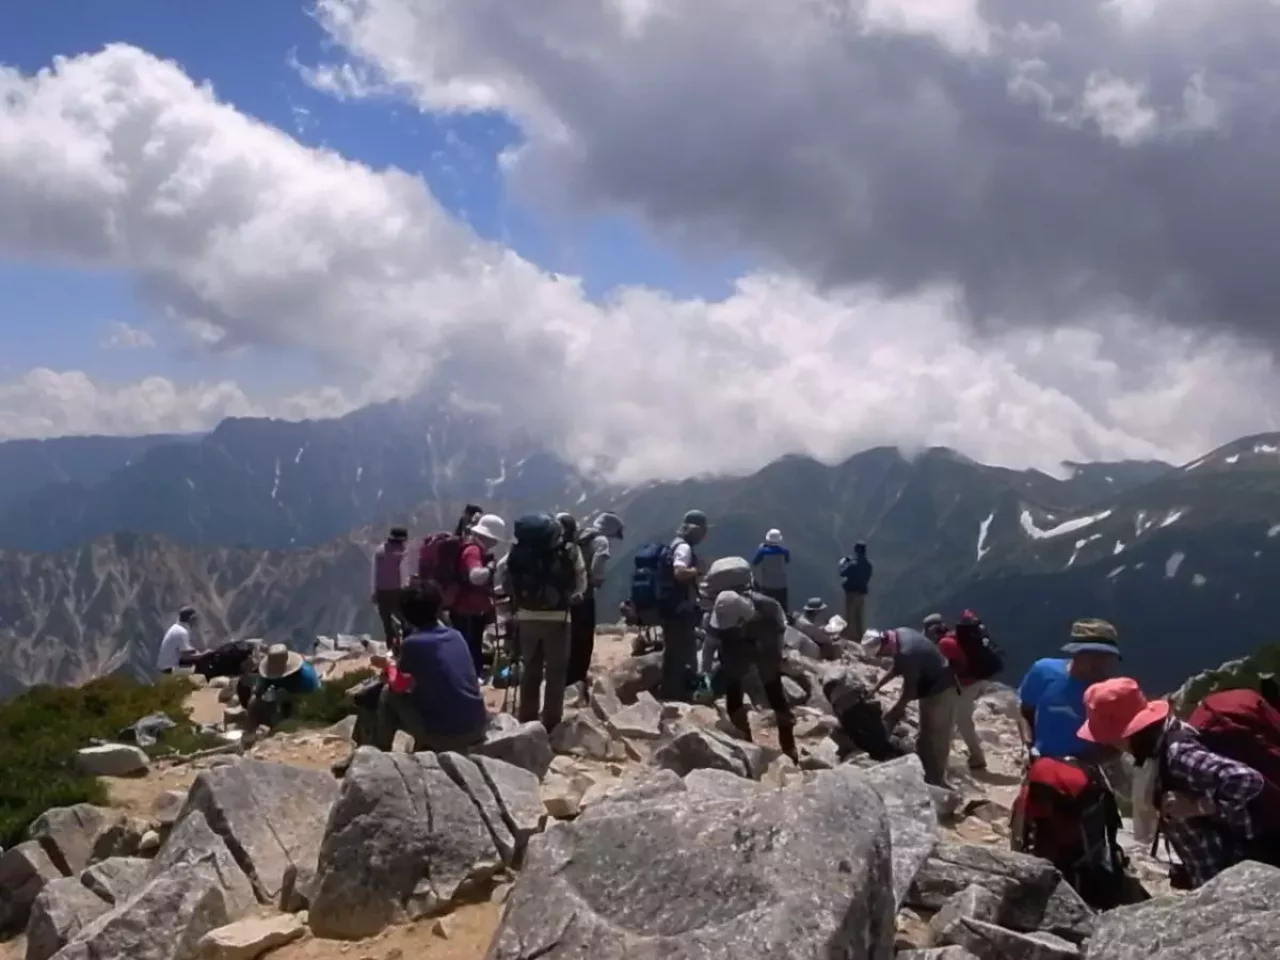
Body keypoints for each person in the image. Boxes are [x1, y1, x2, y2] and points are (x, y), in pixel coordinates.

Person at [1077, 677, 1277, 890]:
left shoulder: (1177, 755)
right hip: (1219, 869)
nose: (1107, 743)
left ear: (1126, 734)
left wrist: (1197, 806)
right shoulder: (1163, 740)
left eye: (1108, 737)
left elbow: (1247, 780)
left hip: (1231, 873)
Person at [365, 582, 490, 754]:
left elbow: (398, 685)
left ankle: (378, 753)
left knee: (389, 694)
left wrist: (390, 665)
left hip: (446, 736)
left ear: (405, 615)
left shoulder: (413, 644)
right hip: (478, 726)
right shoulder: (456, 636)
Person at [497, 513, 587, 733]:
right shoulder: (569, 551)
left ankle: (527, 721)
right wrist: (574, 595)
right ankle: (551, 723)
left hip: (526, 617)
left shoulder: (517, 551)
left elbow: (502, 575)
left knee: (530, 669)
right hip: (558, 618)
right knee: (556, 672)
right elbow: (581, 581)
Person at [707, 590, 798, 762]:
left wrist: (776, 655)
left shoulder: (768, 608)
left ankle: (789, 747)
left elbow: (779, 629)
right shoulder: (723, 613)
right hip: (735, 645)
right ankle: (743, 740)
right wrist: (705, 670)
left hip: (765, 642)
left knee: (774, 690)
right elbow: (710, 642)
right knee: (733, 688)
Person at [863, 626, 958, 788]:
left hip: (941, 690)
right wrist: (876, 687)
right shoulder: (900, 635)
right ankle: (924, 772)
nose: (882, 657)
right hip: (929, 686)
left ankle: (938, 781)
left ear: (884, 646)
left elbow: (909, 691)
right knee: (924, 735)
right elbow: (896, 668)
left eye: (880, 654)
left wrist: (895, 711)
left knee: (936, 737)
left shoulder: (907, 654)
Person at [1017, 619, 1122, 763]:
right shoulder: (1043, 672)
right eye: (1092, 655)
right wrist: (1028, 745)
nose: (1099, 663)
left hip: (1087, 771)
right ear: (1076, 653)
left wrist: (1085, 762)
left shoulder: (1114, 693)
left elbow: (1118, 744)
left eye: (1106, 656)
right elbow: (1024, 711)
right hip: (1040, 762)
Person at [566, 511, 625, 688]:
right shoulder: (601, 541)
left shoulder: (579, 536)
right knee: (584, 640)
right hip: (585, 596)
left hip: (567, 595)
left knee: (571, 637)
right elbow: (599, 563)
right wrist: (595, 580)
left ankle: (566, 675)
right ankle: (577, 679)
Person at [660, 510, 710, 701]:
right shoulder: (684, 549)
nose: (704, 535)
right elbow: (679, 573)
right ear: (695, 530)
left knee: (674, 650)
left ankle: (671, 690)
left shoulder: (674, 544)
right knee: (682, 650)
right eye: (703, 531)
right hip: (679, 608)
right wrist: (697, 571)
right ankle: (678, 694)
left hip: (671, 606)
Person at [453, 513, 507, 676]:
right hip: (467, 609)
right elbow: (475, 577)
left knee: (472, 643)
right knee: (470, 645)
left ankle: (470, 675)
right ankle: (470, 677)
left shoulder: (472, 548)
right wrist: (490, 568)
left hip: (470, 608)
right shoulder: (473, 551)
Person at [935, 611, 988, 771]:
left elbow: (946, 668)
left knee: (962, 721)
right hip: (977, 679)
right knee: (959, 717)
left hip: (967, 684)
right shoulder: (959, 638)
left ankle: (977, 757)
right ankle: (970, 754)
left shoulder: (945, 644)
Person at [245, 644, 321, 733]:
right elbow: (259, 689)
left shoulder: (306, 677)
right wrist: (257, 695)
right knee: (253, 702)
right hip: (280, 702)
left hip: (302, 703)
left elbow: (312, 699)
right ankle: (250, 733)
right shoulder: (269, 672)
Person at [371, 526, 409, 648]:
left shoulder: (379, 550)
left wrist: (374, 591)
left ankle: (391, 648)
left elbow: (375, 572)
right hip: (396, 591)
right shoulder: (400, 552)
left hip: (381, 590)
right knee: (405, 619)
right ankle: (407, 645)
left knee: (387, 623)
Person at [749, 528, 790, 612]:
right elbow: (787, 561)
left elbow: (755, 562)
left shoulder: (762, 552)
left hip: (767, 585)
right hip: (782, 584)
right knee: (783, 606)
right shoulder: (785, 551)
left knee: (767, 608)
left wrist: (760, 549)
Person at [838, 542, 873, 641]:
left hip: (851, 593)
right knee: (859, 617)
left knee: (851, 617)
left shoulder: (853, 565)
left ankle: (851, 639)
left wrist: (843, 562)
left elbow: (842, 573)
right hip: (862, 594)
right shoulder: (868, 565)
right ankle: (861, 637)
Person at [156, 605, 202, 673]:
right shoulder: (182, 632)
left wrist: (195, 651)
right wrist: (204, 655)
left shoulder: (177, 628)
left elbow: (184, 649)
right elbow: (186, 656)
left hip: (166, 667)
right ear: (191, 619)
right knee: (200, 671)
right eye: (195, 619)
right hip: (170, 670)